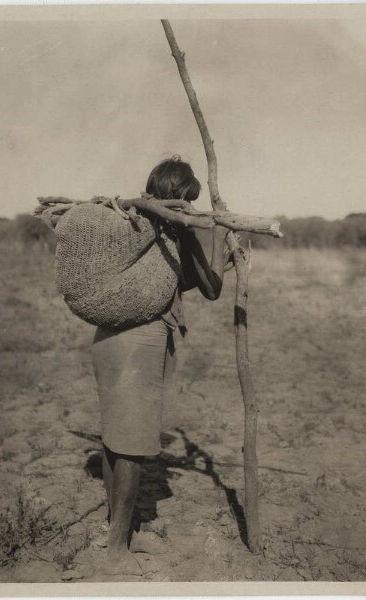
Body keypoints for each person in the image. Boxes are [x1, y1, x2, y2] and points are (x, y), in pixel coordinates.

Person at [91, 156, 230, 576]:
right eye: (189, 201)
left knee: (115, 437)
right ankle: (117, 550)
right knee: (132, 443)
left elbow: (179, 280)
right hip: (142, 341)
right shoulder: (176, 230)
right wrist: (220, 238)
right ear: (182, 198)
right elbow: (211, 287)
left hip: (106, 338)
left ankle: (120, 529)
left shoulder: (132, 225)